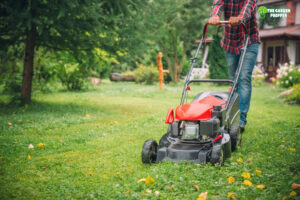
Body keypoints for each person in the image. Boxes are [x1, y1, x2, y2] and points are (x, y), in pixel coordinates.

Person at [209, 0, 260, 132]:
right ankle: (232, 117)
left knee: (243, 78)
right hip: (230, 43)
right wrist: (215, 16)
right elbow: (218, 3)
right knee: (234, 80)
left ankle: (241, 120)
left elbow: (248, 6)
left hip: (249, 41)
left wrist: (240, 18)